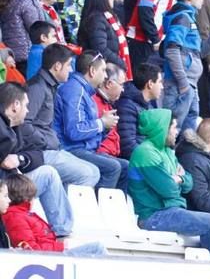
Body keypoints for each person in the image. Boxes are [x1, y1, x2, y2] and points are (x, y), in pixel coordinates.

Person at [129, 108, 210, 256]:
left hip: (174, 210)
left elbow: (188, 183)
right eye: (173, 127)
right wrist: (178, 180)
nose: (176, 131)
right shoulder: (145, 153)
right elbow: (169, 190)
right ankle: (205, 267)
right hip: (154, 215)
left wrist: (180, 179)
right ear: (162, 128)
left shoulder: (167, 152)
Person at [0, 81, 73, 237]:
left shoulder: (16, 127)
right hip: (4, 189)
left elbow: (39, 154)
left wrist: (19, 158)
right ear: (15, 105)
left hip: (12, 183)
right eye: (26, 106)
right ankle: (61, 236)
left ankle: (61, 233)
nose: (27, 111)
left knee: (48, 173)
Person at [22, 44, 100, 188]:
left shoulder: (49, 86)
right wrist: (45, 142)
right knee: (88, 174)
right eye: (69, 65)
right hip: (40, 151)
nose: (71, 70)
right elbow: (23, 124)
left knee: (94, 171)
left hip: (50, 148)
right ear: (57, 66)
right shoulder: (37, 87)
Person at [54, 50, 127, 191]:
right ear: (92, 71)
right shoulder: (74, 90)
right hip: (70, 149)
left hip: (83, 148)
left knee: (125, 167)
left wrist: (105, 127)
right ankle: (98, 210)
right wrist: (101, 123)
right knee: (112, 168)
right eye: (103, 70)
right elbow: (74, 131)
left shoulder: (85, 91)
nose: (105, 75)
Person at [2, 173, 106, 256]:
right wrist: (61, 247)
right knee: (97, 248)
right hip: (48, 260)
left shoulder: (23, 214)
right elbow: (30, 249)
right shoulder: (15, 217)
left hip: (52, 255)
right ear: (26, 197)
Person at [161, 0, 210, 132]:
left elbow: (198, 51)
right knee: (173, 130)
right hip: (179, 85)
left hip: (190, 84)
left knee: (188, 130)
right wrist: (183, 82)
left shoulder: (189, 18)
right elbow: (171, 50)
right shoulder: (182, 18)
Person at [77, 0, 132, 78]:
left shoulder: (108, 17)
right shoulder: (96, 19)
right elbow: (100, 48)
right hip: (104, 71)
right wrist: (121, 63)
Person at [0, 0, 44, 75]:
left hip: (11, 53)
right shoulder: (26, 2)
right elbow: (36, 27)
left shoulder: (8, 0)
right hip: (26, 53)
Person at [116, 63, 162, 160]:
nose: (162, 87)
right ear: (150, 84)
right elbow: (127, 146)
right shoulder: (127, 106)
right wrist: (153, 159)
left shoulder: (148, 105)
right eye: (160, 82)